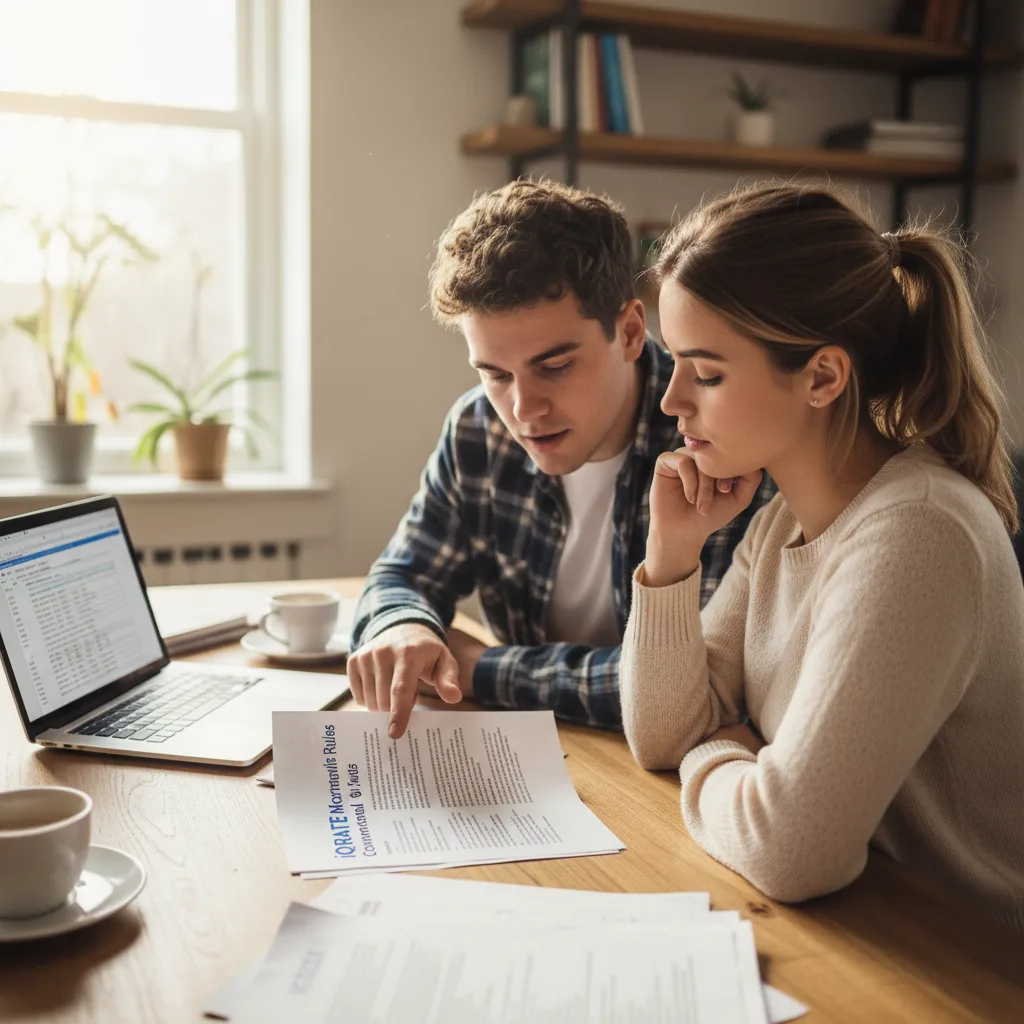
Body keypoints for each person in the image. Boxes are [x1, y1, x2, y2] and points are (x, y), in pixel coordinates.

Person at [620, 181, 1024, 931]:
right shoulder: (781, 525)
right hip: (865, 924)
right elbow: (663, 735)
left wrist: (719, 755)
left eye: (706, 372)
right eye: (673, 363)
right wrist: (672, 554)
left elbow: (791, 847)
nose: (672, 400)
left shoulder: (919, 534)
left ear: (823, 377)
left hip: (966, 960)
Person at [348, 179, 774, 740]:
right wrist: (402, 627)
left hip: (666, 779)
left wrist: (481, 669)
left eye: (554, 366)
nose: (523, 409)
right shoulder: (480, 428)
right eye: (495, 374)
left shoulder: (715, 438)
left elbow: (693, 684)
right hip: (554, 754)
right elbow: (404, 573)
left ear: (628, 331)